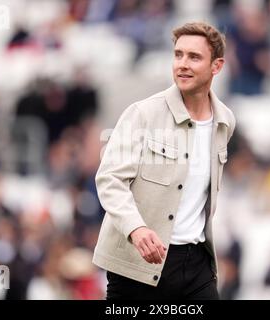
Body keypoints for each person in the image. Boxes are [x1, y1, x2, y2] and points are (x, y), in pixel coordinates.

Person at [92, 22, 236, 300]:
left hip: (196, 265)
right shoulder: (142, 114)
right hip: (137, 265)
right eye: (178, 54)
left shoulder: (225, 121)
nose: (182, 64)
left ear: (216, 66)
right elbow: (109, 179)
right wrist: (137, 228)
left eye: (194, 57)